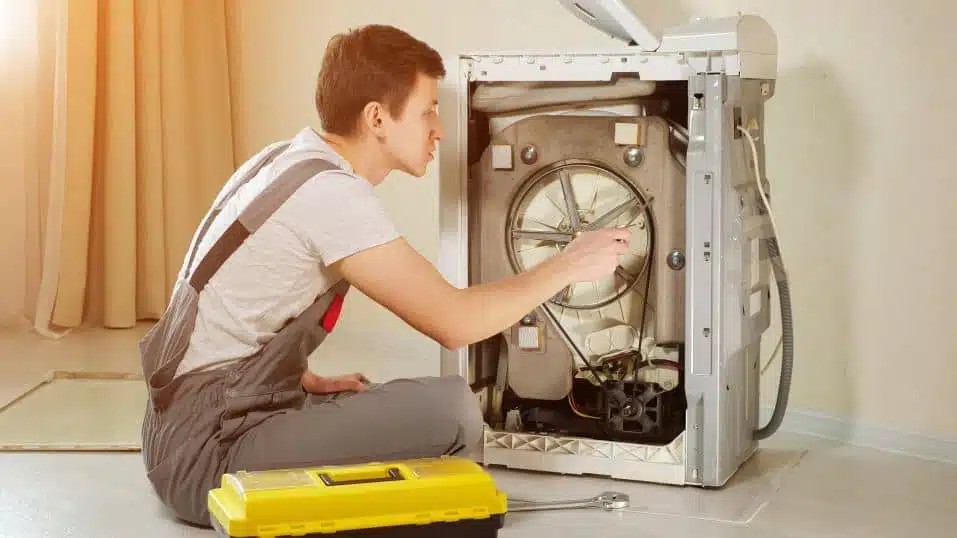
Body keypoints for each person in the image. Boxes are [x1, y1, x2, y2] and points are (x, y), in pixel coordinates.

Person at [138, 24, 632, 527]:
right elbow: (454, 322)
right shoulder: (332, 195)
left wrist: (303, 381)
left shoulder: (285, 161)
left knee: (385, 398)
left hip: (171, 432)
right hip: (208, 459)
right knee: (454, 410)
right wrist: (569, 264)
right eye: (427, 111)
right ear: (377, 117)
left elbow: (229, 312)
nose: (440, 128)